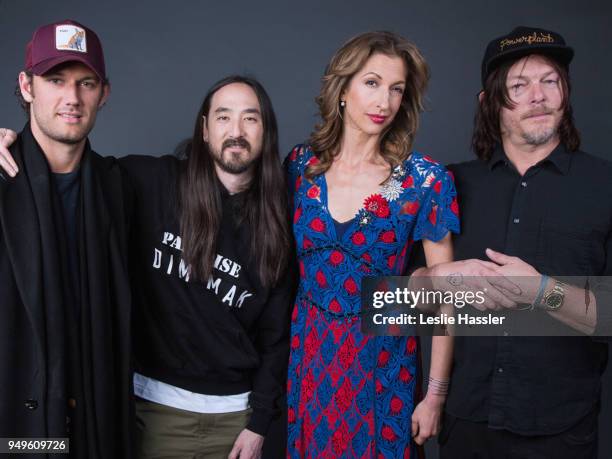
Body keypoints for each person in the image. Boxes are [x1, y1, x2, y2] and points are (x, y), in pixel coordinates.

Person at [437, 26, 612, 459]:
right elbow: (395, 296)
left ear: (565, 91)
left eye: (550, 81)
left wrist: (542, 293)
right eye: (519, 85)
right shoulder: (450, 184)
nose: (539, 96)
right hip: (464, 424)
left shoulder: (605, 185)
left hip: (561, 431)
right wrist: (437, 275)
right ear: (489, 102)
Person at [284, 31, 460, 458]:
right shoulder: (300, 166)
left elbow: (448, 297)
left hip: (383, 365)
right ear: (342, 89)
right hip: (310, 360)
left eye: (396, 89)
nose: (385, 101)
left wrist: (434, 395)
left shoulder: (424, 180)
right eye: (372, 83)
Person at [0, 19, 133, 458]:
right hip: (17, 430)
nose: (72, 98)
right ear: (26, 86)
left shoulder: (119, 187)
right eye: (55, 80)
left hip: (96, 423)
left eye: (85, 83)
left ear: (104, 93)